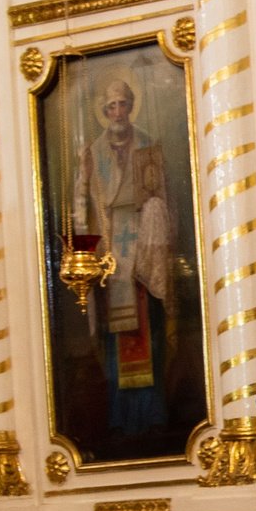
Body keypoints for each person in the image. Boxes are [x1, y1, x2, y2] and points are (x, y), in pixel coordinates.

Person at [71, 77, 179, 438]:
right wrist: (85, 244)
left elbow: (165, 194)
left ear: (131, 106)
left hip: (145, 251)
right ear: (103, 113)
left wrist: (155, 213)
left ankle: (152, 416)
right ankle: (120, 418)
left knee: (149, 333)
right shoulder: (91, 152)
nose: (117, 112)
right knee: (117, 337)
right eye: (110, 106)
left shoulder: (148, 144)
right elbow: (79, 202)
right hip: (110, 250)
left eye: (122, 104)